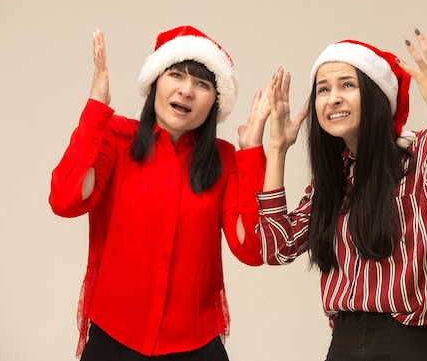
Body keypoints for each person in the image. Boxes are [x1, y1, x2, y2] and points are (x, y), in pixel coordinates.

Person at [49, 25, 269, 360]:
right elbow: (66, 199)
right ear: (155, 83)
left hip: (196, 345)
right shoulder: (116, 139)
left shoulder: (224, 161)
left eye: (202, 84)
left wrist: (252, 151)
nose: (187, 90)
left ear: (215, 101)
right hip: (114, 340)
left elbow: (252, 249)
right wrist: (96, 105)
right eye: (176, 75)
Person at [257, 28, 427, 360]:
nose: (333, 98)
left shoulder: (423, 150)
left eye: (347, 85)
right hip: (345, 343)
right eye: (323, 89)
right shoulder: (333, 178)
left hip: (411, 344)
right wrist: (276, 151)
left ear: (375, 95)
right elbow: (276, 247)